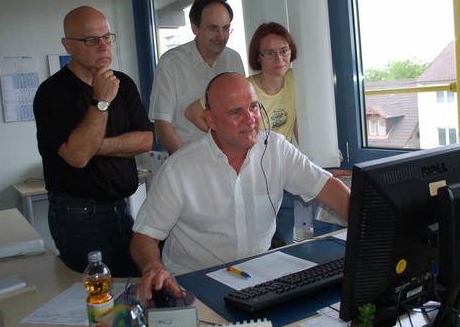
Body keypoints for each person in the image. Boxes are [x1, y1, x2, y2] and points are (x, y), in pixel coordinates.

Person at [131, 72, 350, 301]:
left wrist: (371, 230)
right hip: (192, 286)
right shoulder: (180, 168)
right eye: (236, 112)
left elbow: (329, 188)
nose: (250, 119)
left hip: (258, 281)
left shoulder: (276, 149)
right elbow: (144, 237)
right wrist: (152, 267)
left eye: (254, 107)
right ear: (210, 120)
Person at [33, 6, 154, 277]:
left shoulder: (123, 83)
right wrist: (101, 101)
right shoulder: (52, 93)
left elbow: (146, 140)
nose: (102, 46)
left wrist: (94, 146)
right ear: (68, 46)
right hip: (78, 215)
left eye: (107, 37)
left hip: (122, 207)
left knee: (130, 284)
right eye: (91, 40)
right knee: (90, 298)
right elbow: (77, 157)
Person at [184, 22, 299, 245]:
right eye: (269, 53)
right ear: (258, 57)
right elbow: (193, 113)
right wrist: (231, 135)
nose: (279, 59)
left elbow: (298, 124)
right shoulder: (243, 88)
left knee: (285, 243)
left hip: (279, 174)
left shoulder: (297, 80)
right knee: (250, 245)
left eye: (284, 51)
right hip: (248, 175)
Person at [148, 0, 246, 154]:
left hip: (230, 158)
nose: (221, 36)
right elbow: (162, 123)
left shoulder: (234, 59)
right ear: (195, 28)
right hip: (188, 156)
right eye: (213, 29)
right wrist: (183, 164)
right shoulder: (171, 63)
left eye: (226, 28)